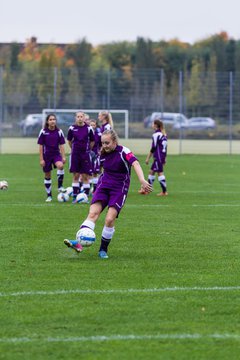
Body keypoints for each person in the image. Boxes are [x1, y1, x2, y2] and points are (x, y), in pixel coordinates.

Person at [64, 129, 152, 259]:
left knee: (110, 219)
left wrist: (142, 180)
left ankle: (103, 249)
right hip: (103, 186)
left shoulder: (124, 151)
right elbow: (98, 169)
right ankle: (78, 243)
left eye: (107, 143)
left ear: (115, 141)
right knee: (93, 213)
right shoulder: (102, 153)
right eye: (103, 143)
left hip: (119, 189)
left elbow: (135, 163)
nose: (104, 145)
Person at [37, 113, 66, 202]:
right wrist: (41, 159)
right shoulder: (43, 131)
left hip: (56, 154)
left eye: (54, 119)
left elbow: (61, 145)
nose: (52, 121)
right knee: (47, 175)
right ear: (47, 121)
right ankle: (49, 196)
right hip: (46, 156)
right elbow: (41, 146)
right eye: (50, 119)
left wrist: (63, 157)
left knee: (60, 166)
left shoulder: (59, 131)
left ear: (56, 121)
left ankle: (60, 186)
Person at [67, 111, 95, 202]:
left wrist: (87, 150)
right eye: (78, 116)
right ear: (76, 118)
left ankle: (85, 197)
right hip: (75, 155)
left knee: (85, 176)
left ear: (84, 118)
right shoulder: (72, 128)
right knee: (76, 176)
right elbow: (69, 141)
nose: (80, 118)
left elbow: (92, 141)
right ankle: (75, 197)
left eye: (81, 116)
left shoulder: (89, 128)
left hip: (85, 155)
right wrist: (74, 149)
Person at [139, 119, 168, 196]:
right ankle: (146, 190)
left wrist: (148, 158)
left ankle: (164, 192)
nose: (152, 125)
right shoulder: (163, 134)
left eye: (152, 123)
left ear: (155, 125)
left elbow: (153, 148)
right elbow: (165, 148)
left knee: (160, 173)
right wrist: (164, 158)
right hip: (160, 157)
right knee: (151, 172)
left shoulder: (156, 135)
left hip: (158, 157)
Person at [89, 118, 101, 194]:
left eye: (94, 125)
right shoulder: (86, 132)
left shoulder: (99, 135)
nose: (92, 126)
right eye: (91, 125)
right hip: (88, 155)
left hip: (96, 155)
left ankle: (95, 190)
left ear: (96, 126)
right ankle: (86, 189)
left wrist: (100, 150)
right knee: (88, 173)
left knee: (95, 172)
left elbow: (101, 144)